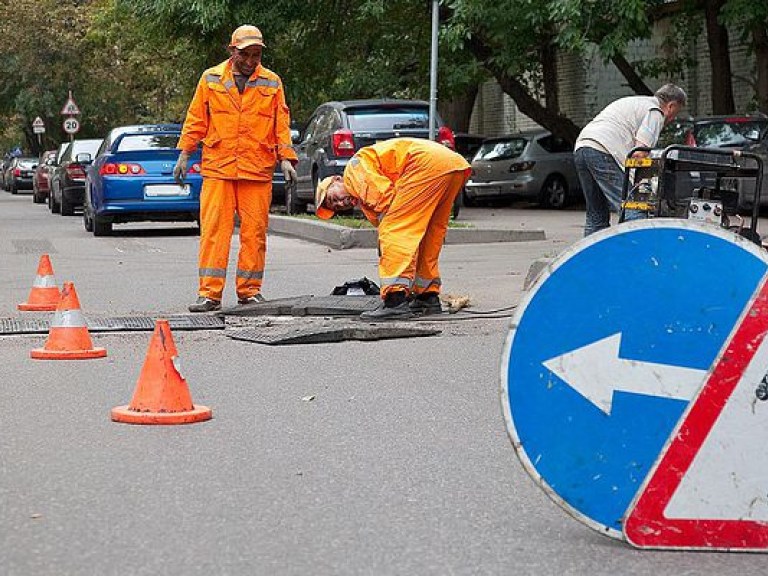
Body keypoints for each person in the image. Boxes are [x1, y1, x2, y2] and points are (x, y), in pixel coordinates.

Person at [175, 24, 298, 312]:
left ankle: (249, 292)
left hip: (256, 168)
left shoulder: (272, 82)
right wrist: (184, 154)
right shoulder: (211, 78)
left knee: (254, 233)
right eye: (246, 54)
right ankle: (209, 294)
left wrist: (286, 158)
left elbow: (281, 124)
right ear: (233, 51)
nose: (252, 60)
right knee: (214, 232)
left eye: (256, 54)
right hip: (219, 167)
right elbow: (196, 119)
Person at [314, 137, 470, 321]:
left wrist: (387, 238)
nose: (340, 203)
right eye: (336, 207)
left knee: (394, 229)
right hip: (450, 165)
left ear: (337, 180)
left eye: (334, 198)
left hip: (426, 166)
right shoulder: (362, 189)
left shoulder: (353, 171)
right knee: (428, 235)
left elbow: (387, 203)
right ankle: (427, 296)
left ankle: (395, 301)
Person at [574, 83, 687, 236]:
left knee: (596, 215)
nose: (672, 119)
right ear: (671, 106)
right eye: (676, 113)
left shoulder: (636, 102)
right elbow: (639, 153)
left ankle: (589, 259)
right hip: (604, 150)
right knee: (633, 209)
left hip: (582, 146)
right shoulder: (656, 112)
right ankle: (639, 254)